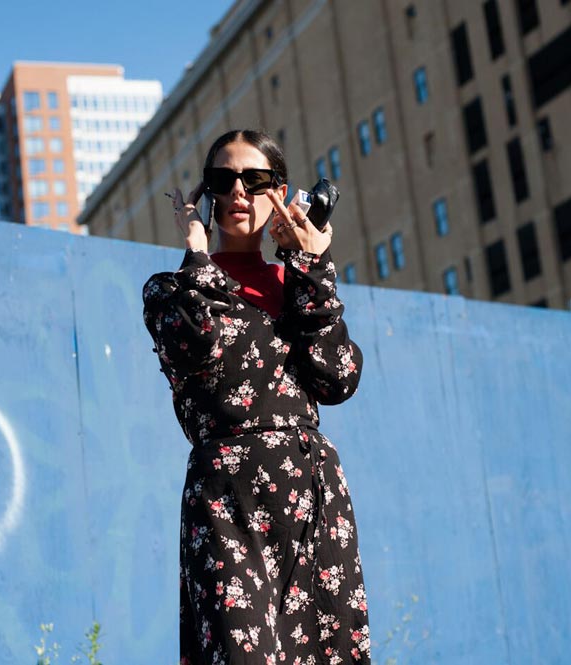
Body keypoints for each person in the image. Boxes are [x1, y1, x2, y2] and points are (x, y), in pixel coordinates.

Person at [142, 129, 370, 663]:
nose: (239, 191)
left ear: (280, 193)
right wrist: (197, 253)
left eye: (257, 179)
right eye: (224, 179)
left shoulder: (300, 284)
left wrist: (312, 266)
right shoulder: (170, 290)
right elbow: (204, 351)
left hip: (312, 492)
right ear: (206, 196)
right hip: (226, 499)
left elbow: (337, 379)